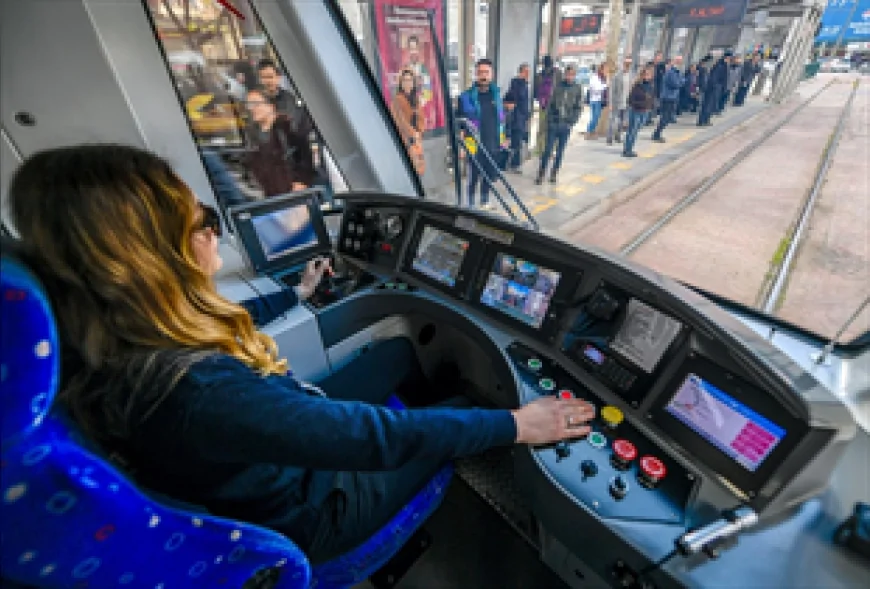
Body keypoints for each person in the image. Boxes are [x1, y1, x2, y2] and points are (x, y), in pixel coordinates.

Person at [8, 144, 596, 564]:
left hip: (257, 460)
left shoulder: (99, 332)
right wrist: (515, 424)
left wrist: (296, 296)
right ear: (149, 257)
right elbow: (374, 438)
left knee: (394, 347)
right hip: (313, 511)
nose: (213, 233)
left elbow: (204, 323)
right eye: (201, 222)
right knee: (455, 404)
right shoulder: (200, 392)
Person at [244, 88, 316, 197]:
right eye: (249, 105)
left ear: (270, 106)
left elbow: (305, 155)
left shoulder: (288, 127)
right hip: (269, 196)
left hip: (294, 193)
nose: (252, 109)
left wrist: (301, 182)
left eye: (256, 104)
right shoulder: (251, 135)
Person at [457, 58, 508, 209]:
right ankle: (471, 204)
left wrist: (503, 138)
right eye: (480, 72)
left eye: (486, 72)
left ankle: (484, 200)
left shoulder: (496, 95)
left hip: (492, 142)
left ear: (491, 74)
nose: (483, 75)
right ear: (476, 75)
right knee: (473, 177)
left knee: (488, 175)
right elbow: (460, 123)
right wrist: (461, 146)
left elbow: (501, 119)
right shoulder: (465, 97)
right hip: (474, 144)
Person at [536, 64, 582, 185]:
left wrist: (571, 121)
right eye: (568, 74)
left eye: (572, 75)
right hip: (554, 123)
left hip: (565, 125)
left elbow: (578, 107)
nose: (569, 77)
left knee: (560, 151)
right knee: (547, 150)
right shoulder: (558, 86)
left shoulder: (577, 88)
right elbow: (551, 105)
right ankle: (541, 173)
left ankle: (554, 173)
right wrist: (550, 121)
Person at [390, 69, 426, 177]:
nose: (408, 83)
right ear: (401, 83)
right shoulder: (397, 99)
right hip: (405, 140)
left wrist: (419, 131)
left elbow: (422, 118)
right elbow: (400, 121)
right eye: (405, 80)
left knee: (418, 169)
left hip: (416, 140)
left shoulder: (416, 99)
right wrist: (413, 133)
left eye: (410, 80)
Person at [503, 62, 531, 173]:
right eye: (527, 72)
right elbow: (515, 100)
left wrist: (527, 115)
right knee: (515, 142)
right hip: (516, 118)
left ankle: (513, 163)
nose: (528, 74)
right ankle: (512, 164)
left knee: (517, 142)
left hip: (522, 117)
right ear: (522, 72)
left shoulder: (524, 84)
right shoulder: (516, 83)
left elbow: (525, 102)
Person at [623, 66, 655, 158]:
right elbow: (630, 100)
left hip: (645, 111)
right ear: (642, 75)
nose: (648, 76)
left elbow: (652, 97)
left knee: (637, 130)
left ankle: (629, 148)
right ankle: (627, 150)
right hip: (636, 111)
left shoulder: (650, 86)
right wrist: (642, 103)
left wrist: (651, 105)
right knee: (632, 130)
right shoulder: (637, 86)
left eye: (649, 75)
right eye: (646, 74)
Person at [652, 56, 684, 143]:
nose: (680, 63)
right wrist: (680, 82)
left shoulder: (677, 72)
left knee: (668, 117)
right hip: (667, 97)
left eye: (680, 61)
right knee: (665, 117)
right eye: (678, 61)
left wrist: (680, 81)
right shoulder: (671, 72)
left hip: (673, 97)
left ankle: (658, 133)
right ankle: (656, 134)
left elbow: (682, 81)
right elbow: (676, 84)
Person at [607, 58, 633, 145]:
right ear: (623, 64)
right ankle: (609, 138)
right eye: (626, 63)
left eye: (629, 63)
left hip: (626, 101)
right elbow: (611, 90)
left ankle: (617, 136)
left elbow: (631, 89)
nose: (628, 65)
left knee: (622, 121)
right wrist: (610, 103)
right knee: (613, 120)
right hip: (616, 102)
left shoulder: (631, 75)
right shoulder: (617, 76)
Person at [584, 64, 608, 139]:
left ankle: (591, 132)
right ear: (600, 70)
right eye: (604, 70)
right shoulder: (594, 78)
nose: (605, 71)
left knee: (596, 118)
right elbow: (594, 89)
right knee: (594, 118)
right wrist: (604, 86)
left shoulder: (603, 78)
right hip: (594, 100)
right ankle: (588, 132)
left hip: (599, 100)